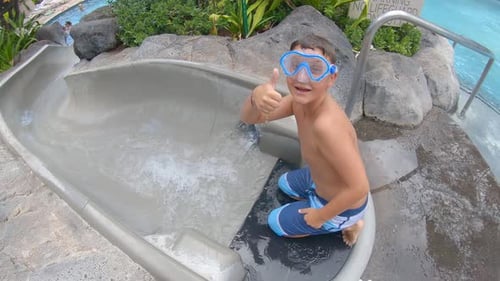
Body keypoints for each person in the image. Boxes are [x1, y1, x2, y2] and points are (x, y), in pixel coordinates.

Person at [239, 34, 369, 246]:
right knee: (284, 183)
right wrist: (255, 98)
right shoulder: (297, 103)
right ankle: (319, 198)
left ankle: (351, 224)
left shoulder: (327, 127)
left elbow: (359, 188)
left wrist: (321, 216)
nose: (301, 77)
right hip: (321, 180)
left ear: (331, 78)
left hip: (341, 204)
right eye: (295, 65)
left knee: (276, 222)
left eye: (315, 68)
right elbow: (249, 119)